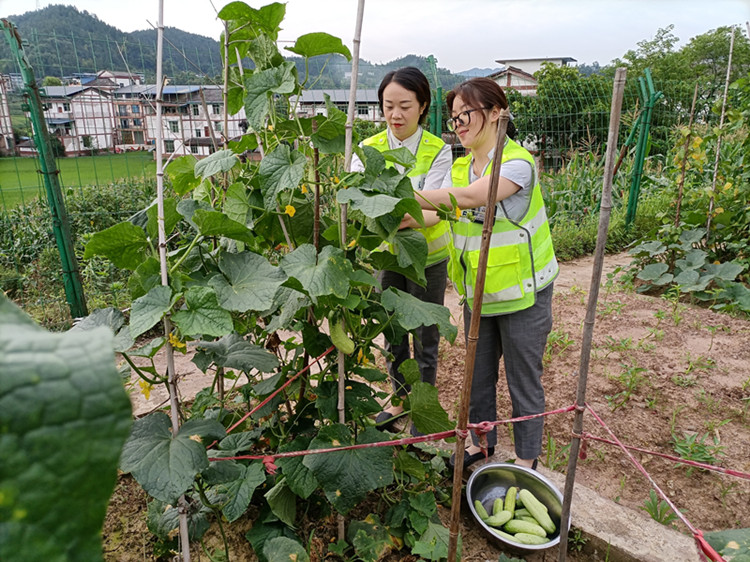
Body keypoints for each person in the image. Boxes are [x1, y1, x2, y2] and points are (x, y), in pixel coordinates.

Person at [414, 77, 558, 470]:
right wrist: (382, 214)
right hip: (477, 294)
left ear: (497, 113)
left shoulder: (518, 163)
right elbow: (432, 212)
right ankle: (483, 447)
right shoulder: (459, 168)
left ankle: (527, 462)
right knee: (477, 379)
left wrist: (401, 194)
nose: (458, 123)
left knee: (522, 379)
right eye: (454, 116)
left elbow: (474, 197)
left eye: (467, 114)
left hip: (522, 293)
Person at [350, 67, 453, 435]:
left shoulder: (439, 150)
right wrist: (407, 211)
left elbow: (441, 208)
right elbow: (360, 202)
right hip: (387, 255)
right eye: (388, 106)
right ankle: (398, 399)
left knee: (427, 334)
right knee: (391, 330)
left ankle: (423, 407)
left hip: (429, 258)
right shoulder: (368, 149)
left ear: (423, 106)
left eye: (405, 106)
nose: (396, 115)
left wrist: (390, 210)